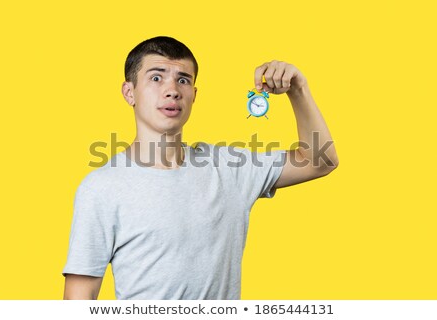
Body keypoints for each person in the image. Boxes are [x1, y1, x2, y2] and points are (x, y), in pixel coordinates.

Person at [62, 36, 339, 300]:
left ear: (193, 95)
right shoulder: (101, 188)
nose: (172, 90)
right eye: (156, 77)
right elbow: (79, 298)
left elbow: (321, 161)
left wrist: (298, 90)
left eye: (182, 80)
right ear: (129, 92)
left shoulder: (231, 169)